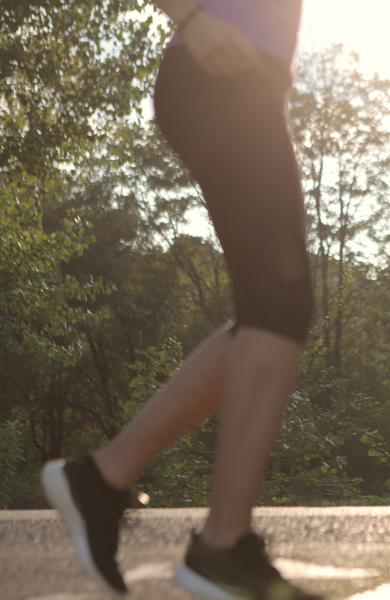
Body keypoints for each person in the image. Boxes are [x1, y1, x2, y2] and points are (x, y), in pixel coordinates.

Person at [40, 1, 321, 598]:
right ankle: (221, 548)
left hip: (242, 86)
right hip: (216, 72)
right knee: (281, 305)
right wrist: (192, 16)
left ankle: (103, 479)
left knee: (269, 311)